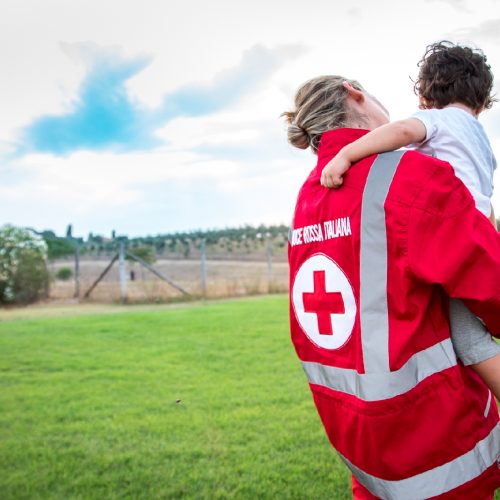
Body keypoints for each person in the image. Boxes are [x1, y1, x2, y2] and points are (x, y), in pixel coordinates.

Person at [283, 75, 500, 499]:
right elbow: (490, 281)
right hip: (439, 446)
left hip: (361, 450)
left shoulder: (307, 198)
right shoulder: (408, 174)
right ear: (354, 91)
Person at [320, 41, 500, 402]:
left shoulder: (437, 120)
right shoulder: (479, 138)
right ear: (481, 99)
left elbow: (401, 133)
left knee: (469, 341)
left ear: (427, 92)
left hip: (453, 238)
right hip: (478, 234)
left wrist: (346, 154)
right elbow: (487, 203)